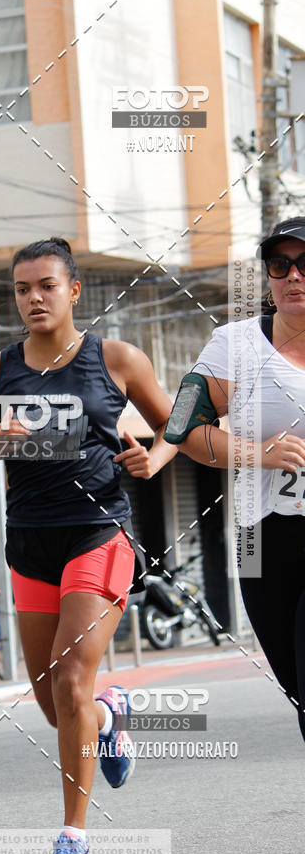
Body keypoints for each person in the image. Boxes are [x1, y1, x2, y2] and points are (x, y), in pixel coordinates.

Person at [0, 238, 177, 854]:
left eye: (46, 286)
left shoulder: (119, 359)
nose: (33, 299)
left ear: (73, 291)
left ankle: (72, 836)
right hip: (29, 543)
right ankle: (109, 718)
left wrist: (152, 459)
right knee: (57, 708)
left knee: (73, 678)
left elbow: (176, 424)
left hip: (98, 533)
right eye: (22, 289)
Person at [175, 216, 305, 742]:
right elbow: (181, 424)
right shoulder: (236, 344)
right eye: (281, 265)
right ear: (269, 277)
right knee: (298, 691)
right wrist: (259, 454)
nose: (294, 276)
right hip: (259, 539)